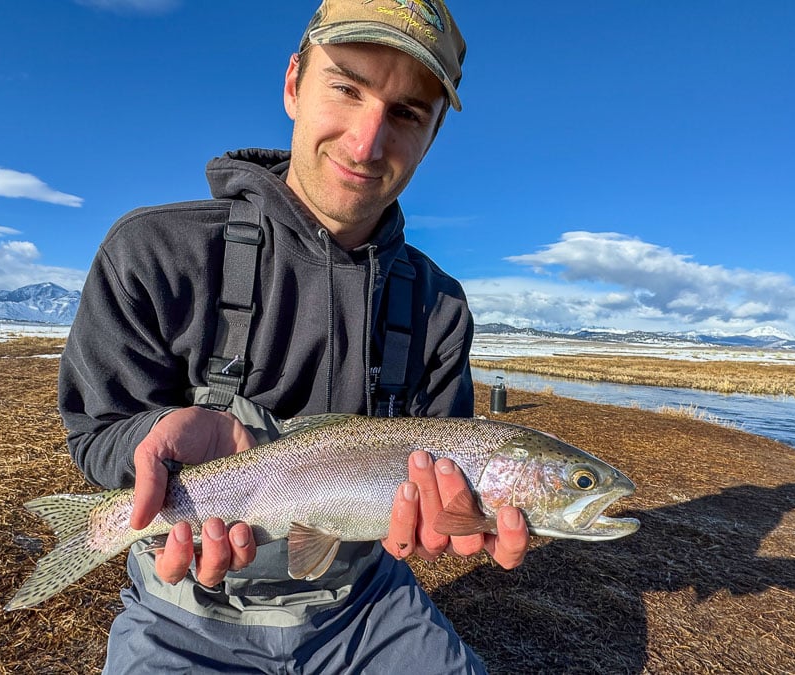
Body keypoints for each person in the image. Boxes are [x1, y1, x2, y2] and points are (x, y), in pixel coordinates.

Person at [58, 1, 530, 672]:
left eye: (405, 114)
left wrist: (452, 518)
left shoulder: (440, 308)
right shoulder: (153, 252)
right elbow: (96, 431)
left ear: (431, 137)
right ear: (292, 84)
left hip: (364, 605)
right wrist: (154, 441)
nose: (366, 143)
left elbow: (444, 476)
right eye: (348, 87)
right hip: (180, 609)